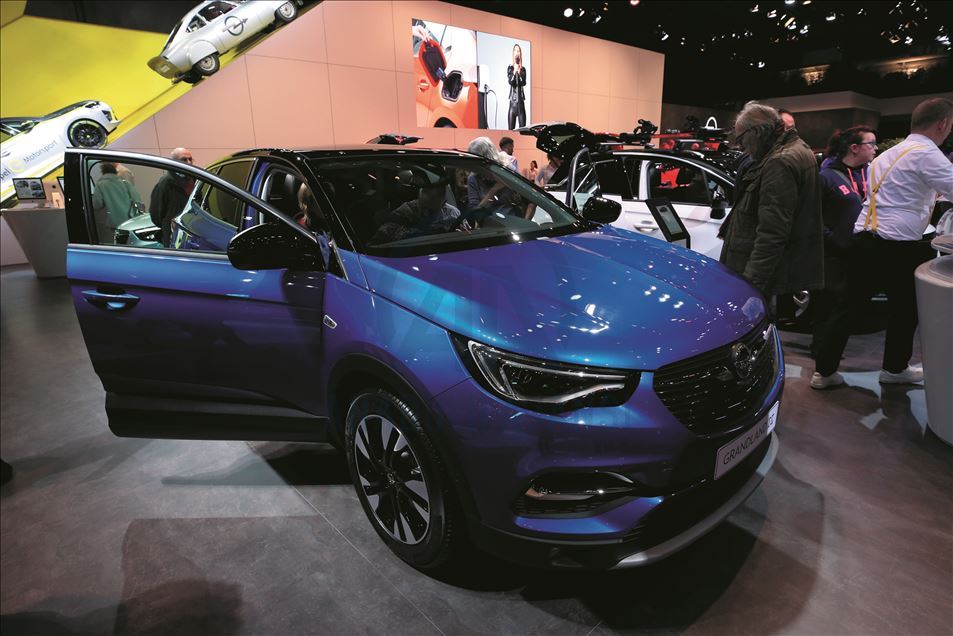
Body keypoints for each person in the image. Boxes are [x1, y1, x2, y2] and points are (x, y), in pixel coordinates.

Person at [812, 98, 953, 388]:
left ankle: (823, 373)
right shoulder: (928, 154)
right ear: (943, 124)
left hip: (864, 238)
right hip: (899, 245)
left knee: (847, 307)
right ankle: (894, 369)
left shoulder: (886, 156)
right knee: (905, 309)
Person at [719, 101, 823, 305]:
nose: (741, 146)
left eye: (741, 138)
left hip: (770, 274)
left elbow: (772, 232)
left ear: (757, 132)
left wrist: (751, 284)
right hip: (783, 267)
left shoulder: (779, 162)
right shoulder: (797, 150)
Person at [810, 126, 877, 362]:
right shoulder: (826, 177)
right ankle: (820, 351)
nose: (875, 149)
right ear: (854, 148)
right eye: (871, 144)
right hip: (831, 252)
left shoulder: (870, 174)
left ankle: (832, 351)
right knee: (826, 302)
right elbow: (812, 216)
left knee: (845, 305)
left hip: (859, 250)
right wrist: (831, 238)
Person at [371, 177, 462, 244]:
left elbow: (465, 234)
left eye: (432, 211)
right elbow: (375, 244)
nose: (426, 213)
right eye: (424, 208)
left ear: (443, 202)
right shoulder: (402, 214)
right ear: (420, 196)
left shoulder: (453, 214)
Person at [149, 147, 194, 247]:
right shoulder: (165, 184)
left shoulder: (196, 179)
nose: (189, 162)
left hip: (194, 234)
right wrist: (169, 225)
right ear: (174, 162)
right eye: (184, 160)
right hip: (174, 237)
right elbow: (156, 216)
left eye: (190, 159)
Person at [91, 162, 142, 243]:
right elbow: (137, 200)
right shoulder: (124, 182)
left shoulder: (100, 184)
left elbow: (97, 204)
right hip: (129, 219)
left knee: (117, 242)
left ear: (103, 172)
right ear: (115, 172)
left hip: (113, 221)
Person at [507, 44, 527, 130]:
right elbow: (510, 82)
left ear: (520, 54)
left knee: (522, 131)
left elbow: (523, 83)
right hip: (512, 104)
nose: (517, 52)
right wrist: (514, 70)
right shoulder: (510, 68)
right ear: (513, 53)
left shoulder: (523, 69)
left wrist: (519, 72)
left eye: (518, 51)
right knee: (510, 131)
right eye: (515, 50)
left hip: (521, 104)